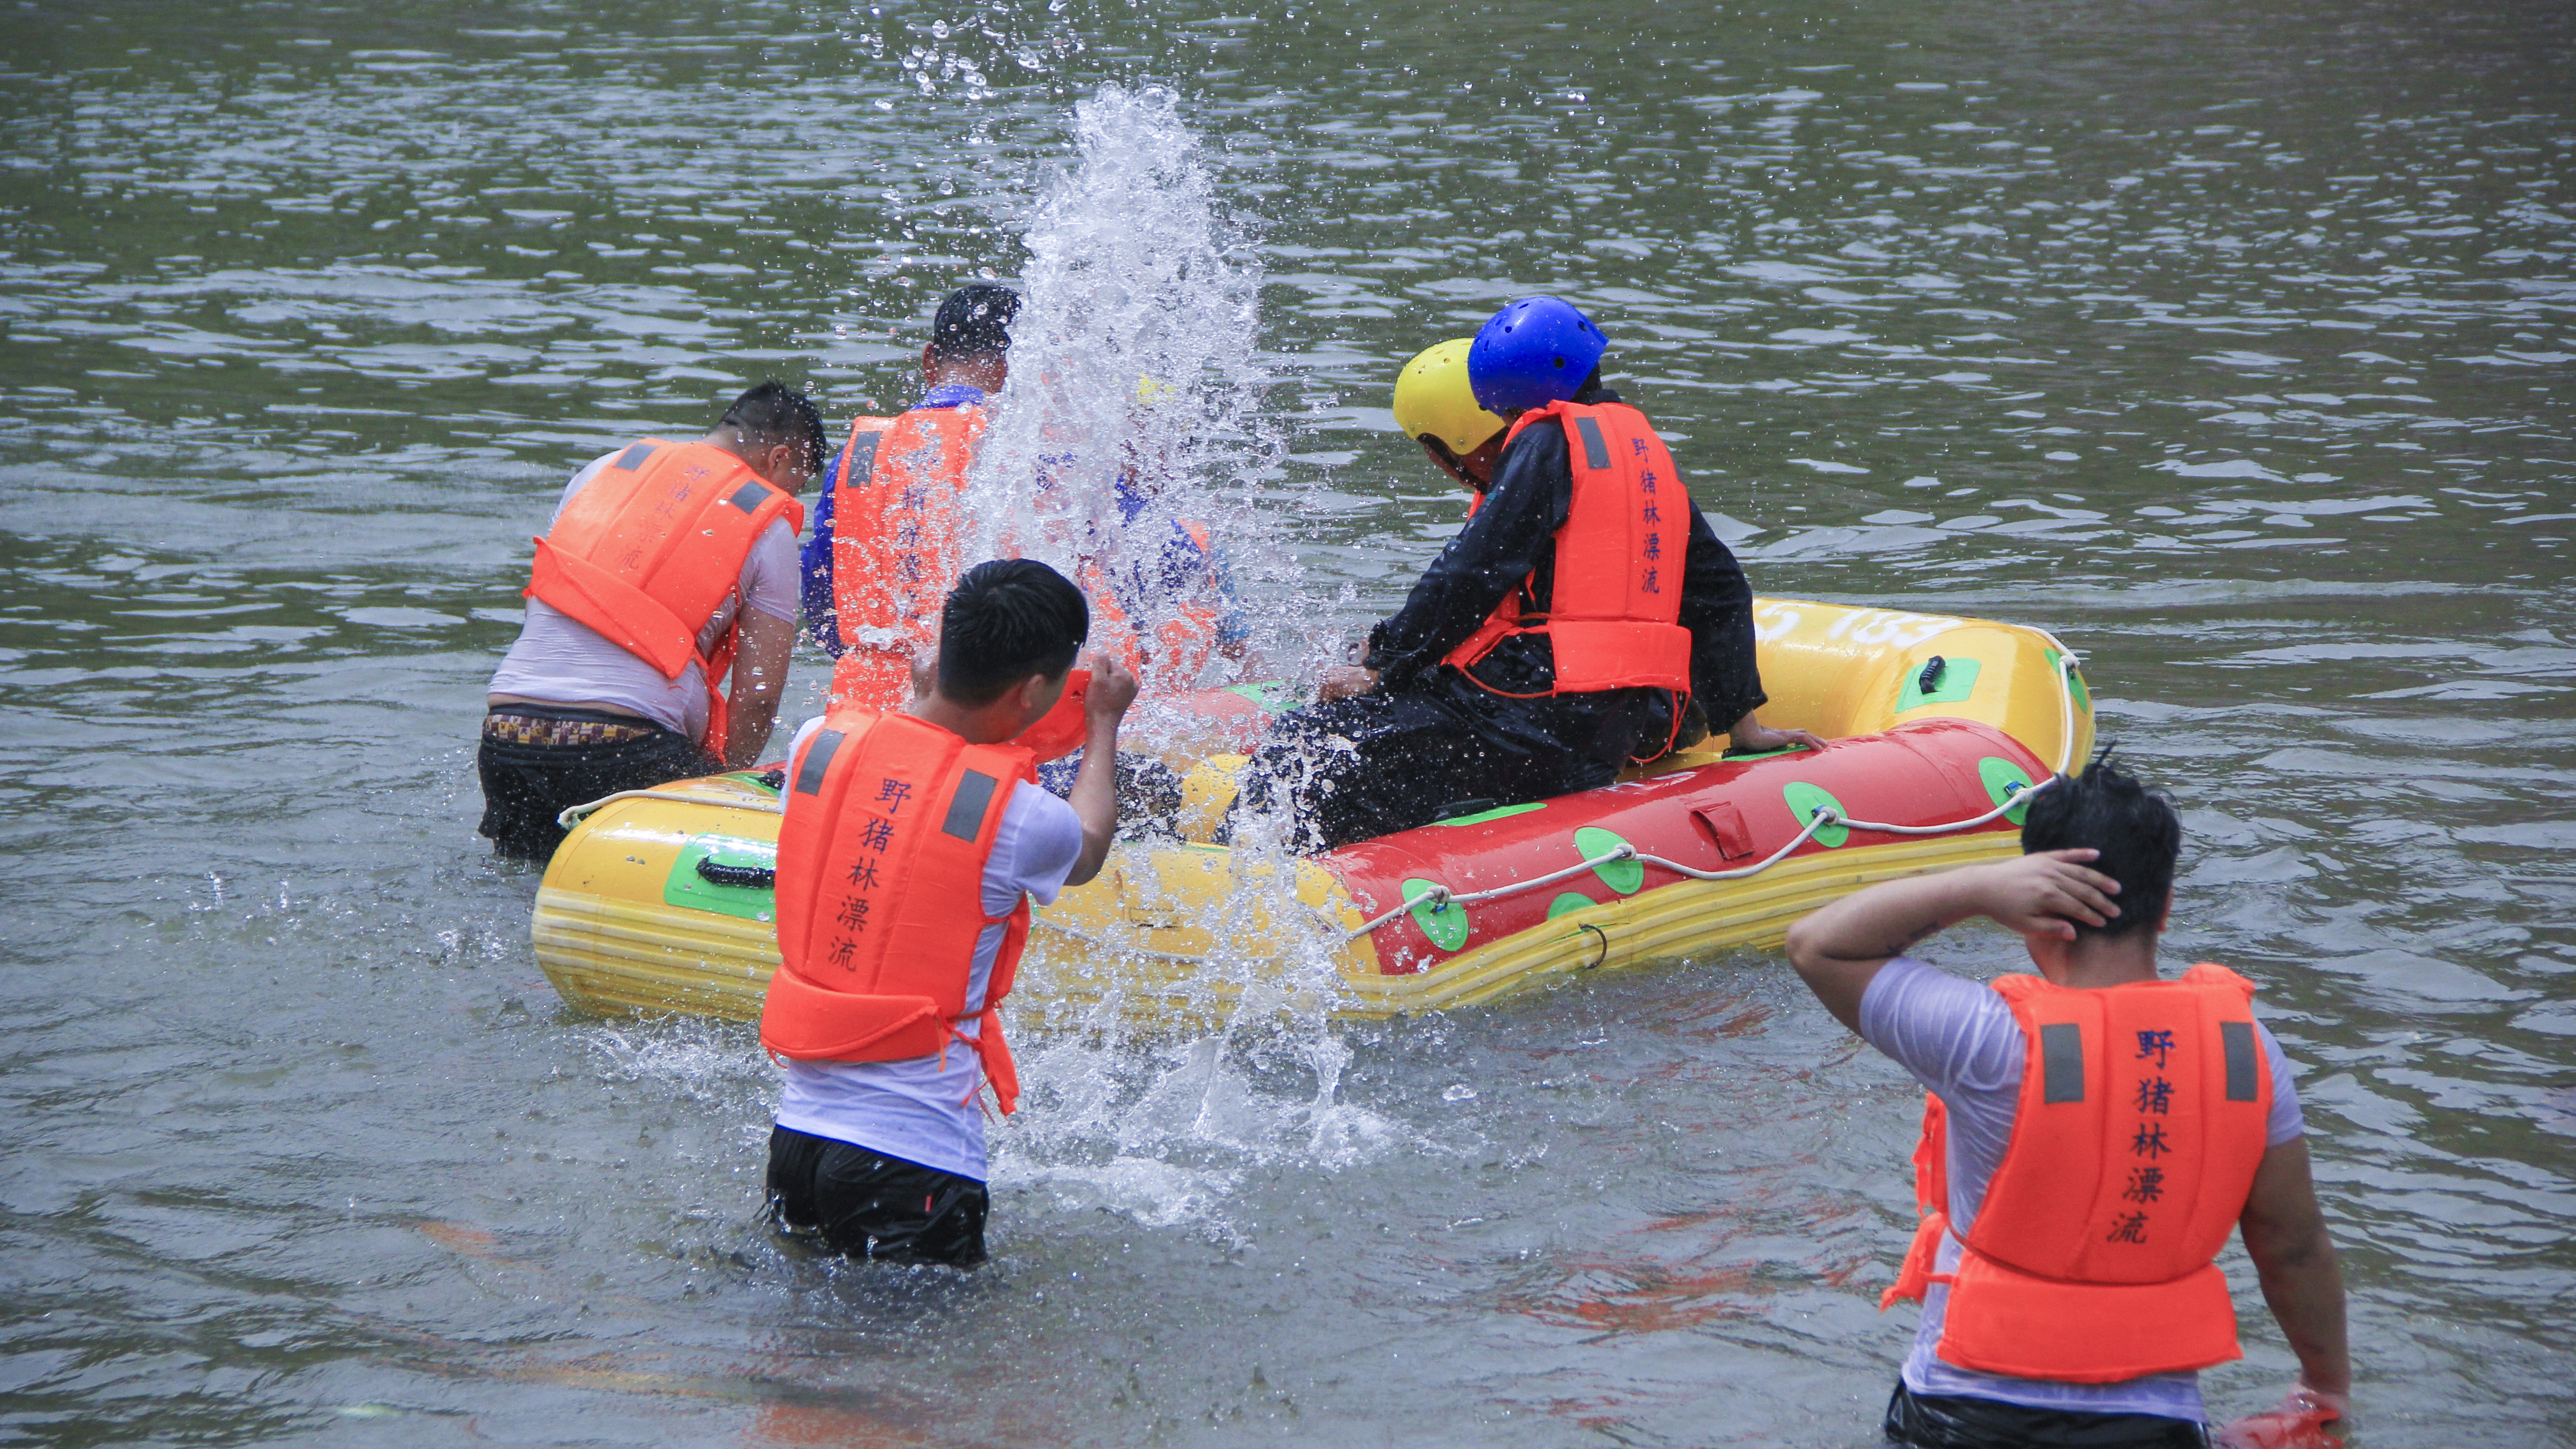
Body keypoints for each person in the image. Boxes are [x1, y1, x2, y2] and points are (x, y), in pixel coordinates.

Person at [1783, 760, 2352, 1449]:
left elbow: (1816, 944)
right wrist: (2324, 1390)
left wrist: (1974, 889)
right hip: (2155, 1426)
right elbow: (2292, 1247)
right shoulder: (2247, 1052)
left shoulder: (1984, 1038)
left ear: (2036, 907)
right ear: (2166, 907)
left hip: (1962, 1416)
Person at [1234, 300, 1823, 851]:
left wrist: (1381, 663)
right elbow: (1720, 590)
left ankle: (1252, 880)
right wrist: (1743, 726)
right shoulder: (1641, 452)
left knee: (1306, 744)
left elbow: (1473, 570)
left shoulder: (1548, 442)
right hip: (1613, 730)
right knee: (1396, 714)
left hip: (1533, 722)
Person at [760, 559, 1138, 1267]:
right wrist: (1103, 728)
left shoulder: (818, 744)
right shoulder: (1024, 821)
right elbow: (1086, 848)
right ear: (1032, 691)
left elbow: (907, 793)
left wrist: (924, 705)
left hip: (796, 1143)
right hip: (914, 1161)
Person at [480, 382, 822, 861]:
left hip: (508, 731)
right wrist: (721, 789)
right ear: (780, 459)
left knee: (525, 887)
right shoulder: (767, 526)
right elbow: (759, 698)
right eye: (798, 482)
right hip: (628, 746)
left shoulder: (603, 470)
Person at [801, 282, 1020, 712]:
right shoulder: (1025, 451)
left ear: (928, 360)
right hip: (982, 711)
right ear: (1020, 367)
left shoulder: (861, 452)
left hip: (863, 707)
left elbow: (821, 580)